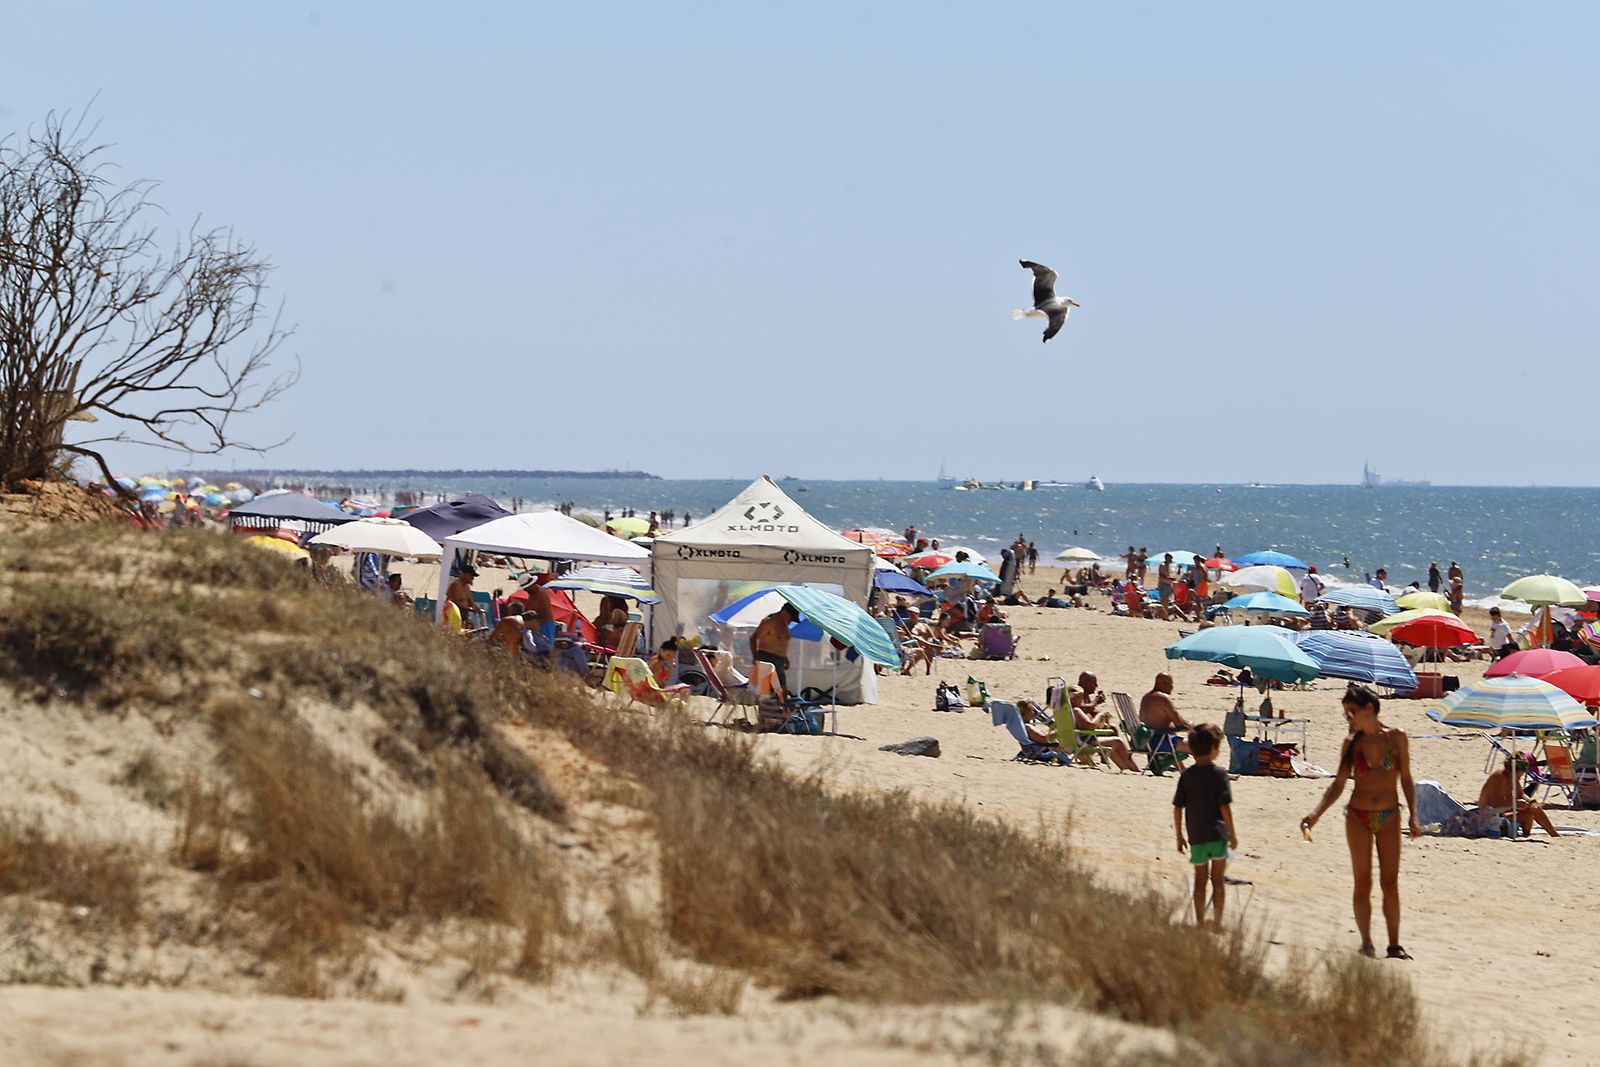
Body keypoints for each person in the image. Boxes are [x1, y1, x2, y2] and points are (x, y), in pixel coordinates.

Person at [1300, 683, 1421, 961]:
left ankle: (1394, 945)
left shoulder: (1396, 737)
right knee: (1362, 882)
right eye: (1346, 714)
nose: (1349, 718)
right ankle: (1366, 942)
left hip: (1390, 814)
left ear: (1369, 708)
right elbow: (1338, 784)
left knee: (1390, 883)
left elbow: (1406, 777)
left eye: (1351, 712)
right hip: (1358, 815)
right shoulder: (1352, 744)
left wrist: (1414, 813)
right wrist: (1316, 813)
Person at [1173, 724, 1236, 927]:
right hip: (1217, 834)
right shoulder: (1219, 774)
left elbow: (1178, 807)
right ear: (1213, 748)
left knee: (1200, 881)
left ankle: (1200, 921)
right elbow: (1224, 806)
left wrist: (1179, 836)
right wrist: (1233, 834)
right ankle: (1217, 922)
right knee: (1218, 881)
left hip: (1196, 836)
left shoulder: (1187, 776)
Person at [1479, 754, 1560, 838]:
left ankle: (1552, 835)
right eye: (1519, 775)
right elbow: (1495, 803)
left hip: (1501, 813)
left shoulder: (1512, 778)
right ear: (1512, 771)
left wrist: (1530, 801)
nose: (1519, 778)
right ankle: (1553, 835)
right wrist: (1516, 803)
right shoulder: (1499, 777)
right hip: (1488, 815)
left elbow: (1521, 794)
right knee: (1529, 815)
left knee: (1535, 808)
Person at [1072, 672, 1139, 772]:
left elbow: (1088, 711)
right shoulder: (1077, 699)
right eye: (1093, 683)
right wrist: (1096, 703)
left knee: (1112, 729)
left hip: (1087, 734)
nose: (1096, 686)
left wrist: (1099, 713)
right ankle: (1133, 769)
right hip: (1086, 737)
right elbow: (1085, 714)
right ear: (1085, 683)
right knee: (1117, 742)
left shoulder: (1081, 697)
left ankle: (1125, 767)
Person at [752, 603, 801, 698]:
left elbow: (780, 643)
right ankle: (768, 711)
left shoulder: (784, 625)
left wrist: (785, 657)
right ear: (784, 613)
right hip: (767, 657)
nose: (791, 621)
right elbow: (753, 638)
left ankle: (783, 711)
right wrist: (754, 657)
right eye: (791, 618)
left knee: (782, 690)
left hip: (779, 660)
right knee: (768, 691)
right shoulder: (769, 622)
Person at [1140, 672, 1192, 755]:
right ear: (1163, 683)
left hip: (1144, 741)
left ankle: (1182, 768)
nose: (1172, 687)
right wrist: (1190, 725)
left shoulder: (1146, 697)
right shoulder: (1162, 698)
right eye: (1171, 684)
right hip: (1159, 742)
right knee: (1199, 748)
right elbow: (1179, 722)